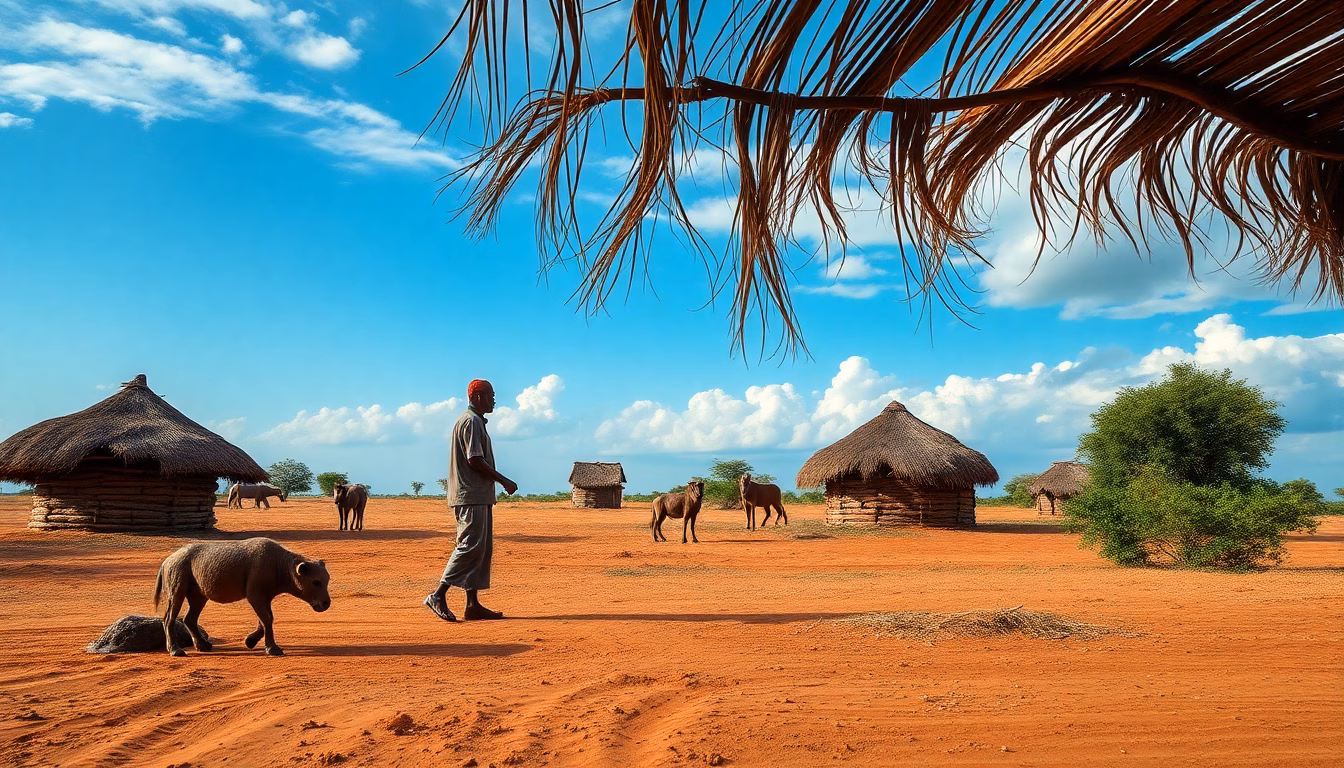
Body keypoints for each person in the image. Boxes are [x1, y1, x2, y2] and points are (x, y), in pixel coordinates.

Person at [424, 379, 518, 622]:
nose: (494, 400)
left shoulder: (475, 422)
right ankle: (438, 595)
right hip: (471, 495)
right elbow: (474, 459)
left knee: (480, 549)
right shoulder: (470, 422)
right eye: (491, 395)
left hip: (477, 495)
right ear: (477, 397)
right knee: (468, 547)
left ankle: (472, 605)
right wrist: (503, 480)